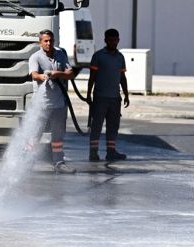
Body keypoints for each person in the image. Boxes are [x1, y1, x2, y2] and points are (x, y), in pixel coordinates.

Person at [29, 29, 77, 174]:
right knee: (35, 133)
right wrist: (43, 77)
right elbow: (33, 74)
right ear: (40, 42)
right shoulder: (35, 57)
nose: (49, 43)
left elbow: (70, 73)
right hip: (41, 103)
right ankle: (26, 161)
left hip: (59, 103)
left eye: (51, 40)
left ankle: (59, 162)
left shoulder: (60, 55)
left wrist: (58, 73)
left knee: (58, 135)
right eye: (46, 41)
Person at [87, 28, 129, 162]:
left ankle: (111, 152)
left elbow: (122, 77)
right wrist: (88, 95)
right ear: (105, 40)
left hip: (115, 98)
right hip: (100, 98)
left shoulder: (120, 57)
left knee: (113, 126)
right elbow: (92, 77)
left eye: (115, 40)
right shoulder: (98, 56)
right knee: (97, 126)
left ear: (118, 40)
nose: (113, 42)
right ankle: (93, 153)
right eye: (110, 40)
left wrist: (126, 95)